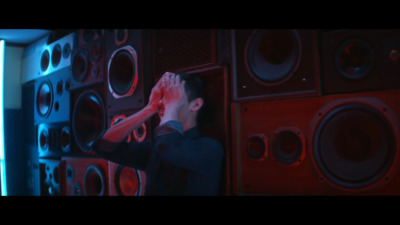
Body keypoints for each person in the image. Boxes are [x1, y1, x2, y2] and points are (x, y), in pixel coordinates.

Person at [92, 72, 224, 195]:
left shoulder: (210, 148)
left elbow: (168, 146)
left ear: (195, 104)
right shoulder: (154, 149)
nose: (163, 102)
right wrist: (149, 108)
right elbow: (103, 147)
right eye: (164, 97)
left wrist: (171, 106)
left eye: (173, 96)